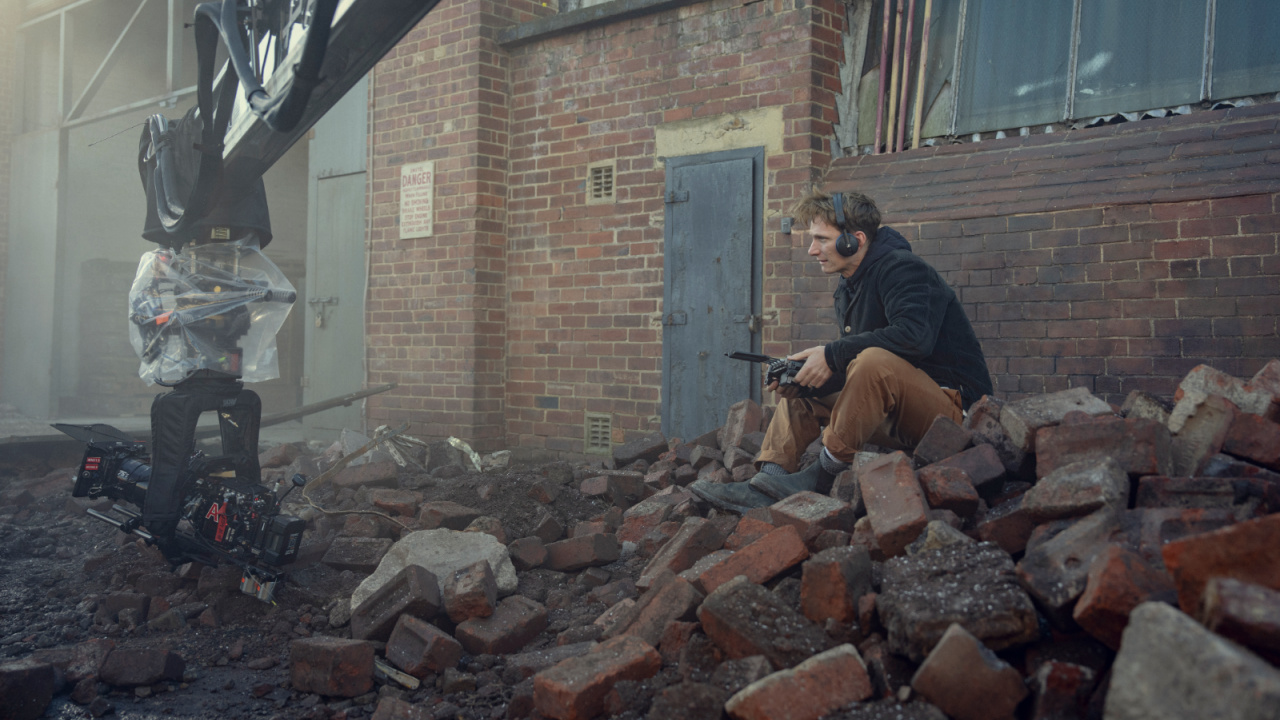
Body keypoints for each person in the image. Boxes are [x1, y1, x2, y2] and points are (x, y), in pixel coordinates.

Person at [690, 190, 993, 514]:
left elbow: (913, 338)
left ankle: (822, 475)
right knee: (808, 391)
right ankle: (766, 485)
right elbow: (861, 376)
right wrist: (807, 379)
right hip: (897, 411)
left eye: (821, 239)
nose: (812, 250)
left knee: (872, 359)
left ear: (855, 240)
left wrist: (832, 354)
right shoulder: (849, 288)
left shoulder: (904, 269)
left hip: (952, 416)